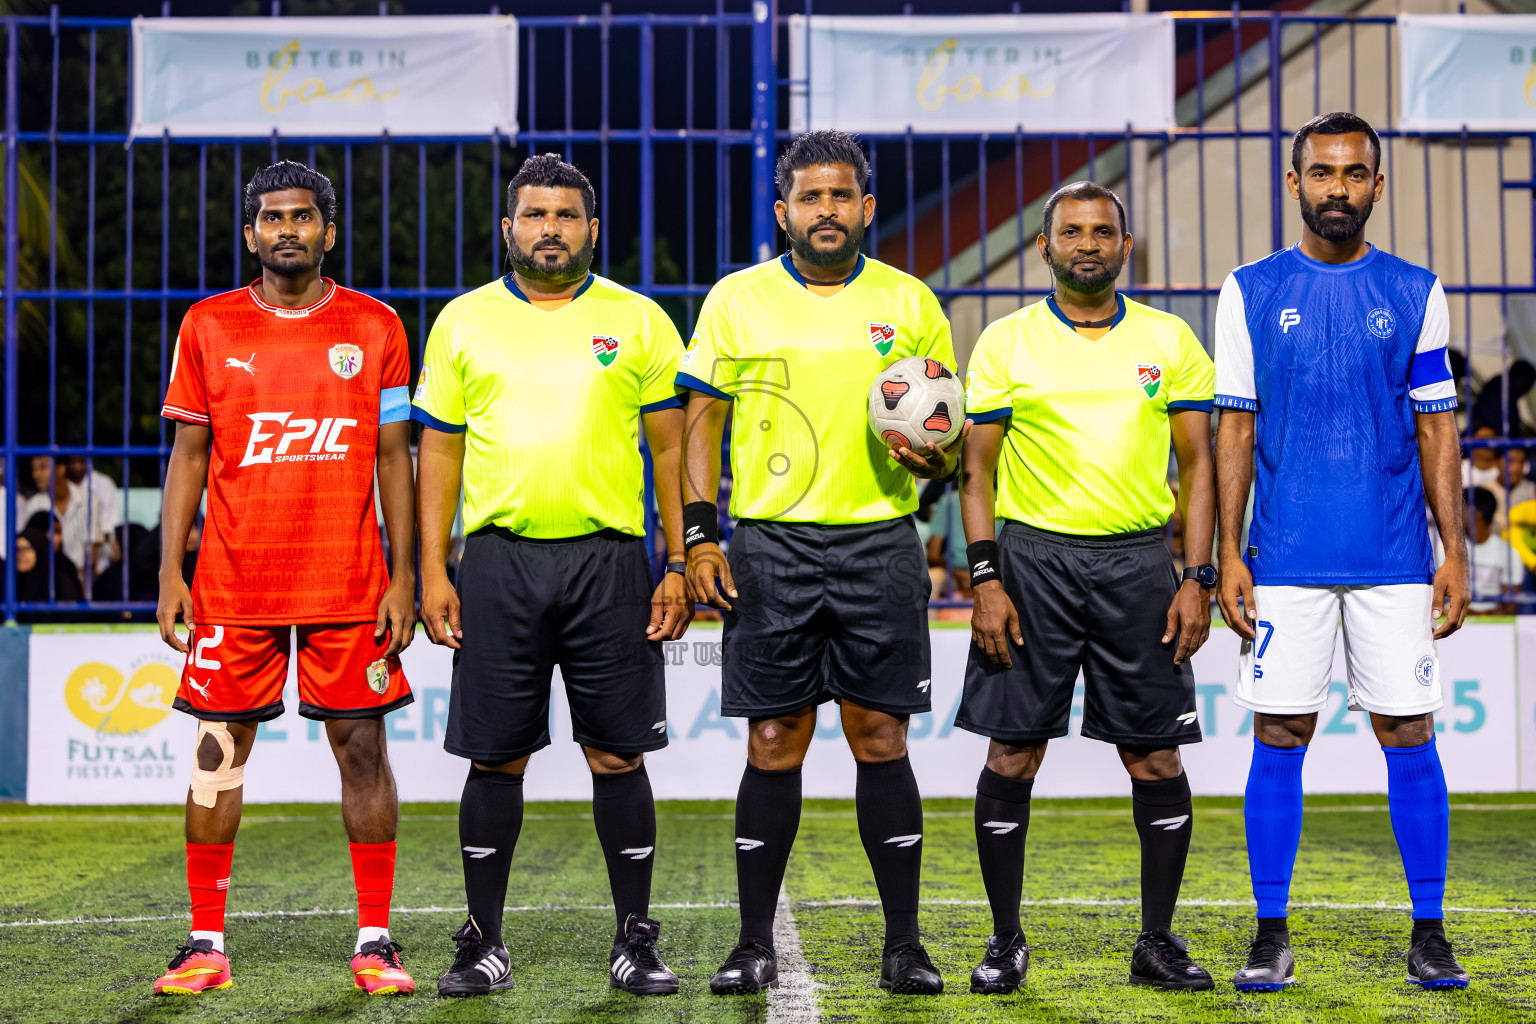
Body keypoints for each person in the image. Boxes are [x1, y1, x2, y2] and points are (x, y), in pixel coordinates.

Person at [681, 130, 959, 997]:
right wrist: (698, 535)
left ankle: (904, 945)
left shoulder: (910, 302)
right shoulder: (737, 300)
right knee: (773, 740)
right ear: (784, 211)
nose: (827, 211)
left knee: (881, 737)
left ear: (867, 208)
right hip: (770, 545)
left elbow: (947, 434)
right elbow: (701, 426)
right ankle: (754, 942)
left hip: (880, 541)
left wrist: (935, 463)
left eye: (843, 197)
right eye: (811, 197)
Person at [414, 154, 693, 998]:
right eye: (533, 215)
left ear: (591, 229)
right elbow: (440, 451)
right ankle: (483, 941)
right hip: (498, 561)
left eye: (566, 215)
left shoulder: (639, 320)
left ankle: (634, 937)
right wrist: (434, 567)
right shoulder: (463, 321)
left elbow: (673, 447)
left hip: (610, 562)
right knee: (495, 758)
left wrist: (677, 561)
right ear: (508, 228)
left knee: (617, 756)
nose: (549, 229)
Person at [1214, 112, 1471, 992]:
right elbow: (1234, 431)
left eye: (1354, 174)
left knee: (1409, 732)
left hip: (1396, 555)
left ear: (1376, 185)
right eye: (1321, 174)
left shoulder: (1417, 290)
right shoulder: (1246, 288)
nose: (1337, 188)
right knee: (1280, 732)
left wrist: (1455, 551)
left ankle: (1429, 930)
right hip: (1282, 557)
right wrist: (1229, 554)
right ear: (1295, 185)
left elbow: (1438, 427)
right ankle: (1269, 930)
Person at [152, 161, 419, 997]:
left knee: (363, 749)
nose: (287, 230)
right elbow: (187, 457)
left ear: (328, 232)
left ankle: (375, 942)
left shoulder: (375, 326)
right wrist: (170, 570)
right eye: (272, 218)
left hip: (347, 580)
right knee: (214, 754)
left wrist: (405, 575)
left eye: (303, 216)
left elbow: (393, 461)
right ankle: (204, 944)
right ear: (250, 234)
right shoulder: (208, 325)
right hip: (235, 583)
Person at [959, 181, 1218, 995]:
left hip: (1140, 566)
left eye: (1103, 231)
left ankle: (1158, 942)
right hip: (1032, 564)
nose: (1088, 244)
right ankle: (1006, 941)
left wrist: (1197, 575)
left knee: (1154, 754)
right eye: (1070, 231)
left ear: (1125, 245)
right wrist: (987, 577)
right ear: (1044, 248)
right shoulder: (1005, 342)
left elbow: (1201, 465)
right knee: (1014, 750)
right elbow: (976, 471)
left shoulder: (1169, 339)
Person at [1456, 488, 1518, 614]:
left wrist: (1479, 614)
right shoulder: (1446, 551)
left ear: (1477, 513)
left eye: (1461, 507)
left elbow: (1510, 606)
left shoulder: (1508, 552)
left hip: (1494, 626)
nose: (1455, 513)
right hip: (1457, 625)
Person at [1469, 359, 1535, 435]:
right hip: (1487, 437)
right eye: (1529, 382)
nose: (1528, 388)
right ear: (1522, 378)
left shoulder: (1504, 388)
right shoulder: (1501, 388)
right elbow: (1490, 422)